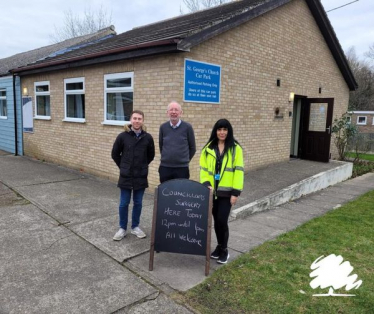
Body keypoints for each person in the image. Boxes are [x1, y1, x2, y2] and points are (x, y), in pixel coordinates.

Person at [200, 119, 244, 264]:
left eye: (225, 129)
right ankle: (219, 247)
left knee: (222, 221)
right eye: (219, 129)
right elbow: (204, 169)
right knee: (216, 222)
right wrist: (206, 183)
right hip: (212, 192)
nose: (222, 132)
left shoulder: (235, 148)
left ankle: (224, 250)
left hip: (227, 193)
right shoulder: (208, 148)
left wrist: (235, 193)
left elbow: (238, 171)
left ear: (228, 131)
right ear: (215, 131)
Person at [111, 110, 155, 241]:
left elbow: (151, 155)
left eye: (139, 119)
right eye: (135, 118)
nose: (137, 121)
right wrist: (124, 166)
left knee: (138, 203)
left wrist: (141, 166)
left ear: (142, 121)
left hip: (140, 176)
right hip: (126, 175)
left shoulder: (148, 137)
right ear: (130, 120)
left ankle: (135, 226)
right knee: (124, 203)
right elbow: (115, 154)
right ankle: (122, 228)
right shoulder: (122, 136)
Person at [159, 101, 196, 183]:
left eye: (176, 110)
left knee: (181, 193)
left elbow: (192, 148)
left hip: (182, 168)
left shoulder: (187, 127)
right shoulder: (163, 127)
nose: (173, 112)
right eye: (171, 110)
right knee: (165, 192)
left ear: (181, 112)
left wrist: (184, 160)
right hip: (165, 167)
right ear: (167, 112)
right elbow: (161, 146)